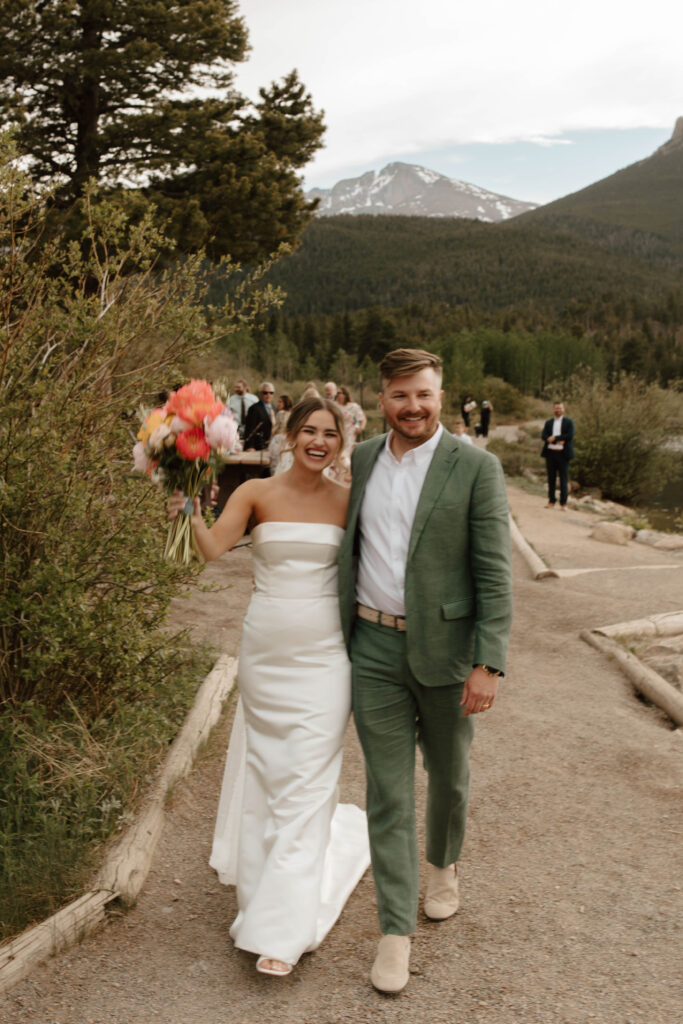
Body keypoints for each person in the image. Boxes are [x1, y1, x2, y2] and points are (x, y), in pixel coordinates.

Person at [168, 397, 370, 977]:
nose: (319, 441)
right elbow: (211, 551)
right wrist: (185, 507)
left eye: (330, 433)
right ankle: (261, 895)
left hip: (328, 657)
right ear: (289, 434)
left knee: (307, 782)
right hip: (266, 653)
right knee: (268, 772)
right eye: (309, 430)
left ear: (342, 441)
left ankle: (282, 930)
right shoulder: (255, 493)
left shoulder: (350, 501)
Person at [337, 348, 513, 994]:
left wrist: (488, 662)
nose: (412, 407)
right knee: (386, 791)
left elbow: (494, 570)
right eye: (399, 396)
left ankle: (443, 864)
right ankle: (393, 931)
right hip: (373, 650)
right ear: (380, 399)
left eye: (424, 394)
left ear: (443, 395)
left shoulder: (476, 468)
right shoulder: (359, 460)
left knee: (449, 777)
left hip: (446, 651)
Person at [541, 400, 575, 510]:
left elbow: (569, 436)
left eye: (560, 408)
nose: (558, 410)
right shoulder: (549, 422)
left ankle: (563, 503)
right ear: (553, 409)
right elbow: (544, 436)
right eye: (556, 408)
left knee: (563, 479)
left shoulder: (568, 422)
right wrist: (555, 441)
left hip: (563, 455)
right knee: (551, 479)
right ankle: (551, 501)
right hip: (550, 453)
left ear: (563, 409)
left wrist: (555, 438)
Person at [244, 381, 275, 451]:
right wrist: (250, 446)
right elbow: (250, 428)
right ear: (260, 394)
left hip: (272, 446)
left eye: (271, 393)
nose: (268, 395)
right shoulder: (254, 408)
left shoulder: (275, 408)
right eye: (265, 393)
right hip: (257, 446)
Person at [267, 394, 293, 476]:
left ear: (286, 403)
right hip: (288, 442)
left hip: (279, 442)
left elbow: (276, 428)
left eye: (280, 402)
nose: (278, 403)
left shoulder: (281, 413)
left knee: (275, 467)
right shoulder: (292, 414)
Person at [335, 385, 367, 450]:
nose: (338, 395)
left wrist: (361, 428)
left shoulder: (353, 406)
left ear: (345, 395)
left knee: (347, 452)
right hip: (337, 431)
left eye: (339, 393)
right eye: (337, 393)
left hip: (349, 433)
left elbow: (363, 419)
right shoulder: (334, 406)